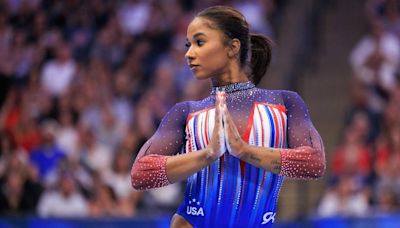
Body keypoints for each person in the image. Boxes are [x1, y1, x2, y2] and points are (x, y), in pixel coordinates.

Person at [131, 6, 325, 227]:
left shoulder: (284, 103)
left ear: (232, 48)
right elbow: (140, 175)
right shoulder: (186, 112)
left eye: (200, 42)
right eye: (189, 45)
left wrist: (244, 150)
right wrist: (207, 155)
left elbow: (314, 164)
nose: (189, 53)